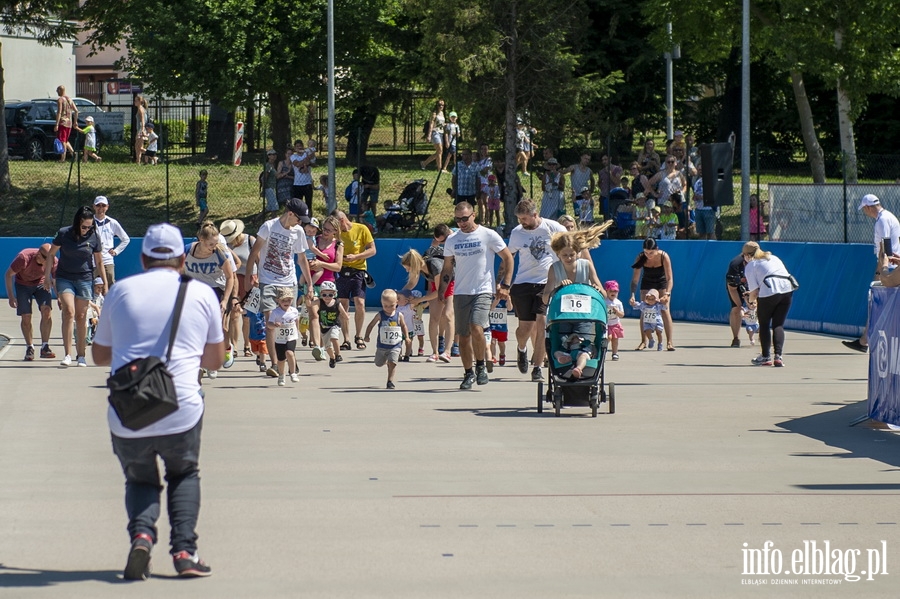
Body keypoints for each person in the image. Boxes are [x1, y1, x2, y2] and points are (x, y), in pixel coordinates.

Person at [91, 223, 224, 580]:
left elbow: (99, 355)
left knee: (139, 480)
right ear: (183, 259)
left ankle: (142, 536)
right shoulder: (201, 293)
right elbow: (214, 361)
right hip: (179, 407)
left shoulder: (121, 290)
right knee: (183, 473)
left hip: (128, 409)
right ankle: (184, 552)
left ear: (143, 257)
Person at [439, 202, 514, 390]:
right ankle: (468, 373)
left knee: (476, 326)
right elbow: (448, 267)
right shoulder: (452, 240)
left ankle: (481, 365)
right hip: (461, 292)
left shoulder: (487, 234)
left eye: (465, 218)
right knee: (463, 336)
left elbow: (508, 258)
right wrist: (442, 288)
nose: (462, 222)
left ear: (473, 215)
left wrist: (505, 284)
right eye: (458, 219)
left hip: (483, 290)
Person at [246, 198, 314, 376]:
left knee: (289, 321)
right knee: (270, 321)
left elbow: (301, 259)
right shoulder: (268, 227)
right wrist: (248, 278)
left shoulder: (298, 232)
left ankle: (290, 358)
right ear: (290, 213)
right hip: (268, 280)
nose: (300, 223)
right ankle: (275, 364)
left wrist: (310, 284)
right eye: (299, 219)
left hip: (288, 281)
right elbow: (254, 252)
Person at [507, 199, 568, 382]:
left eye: (524, 218)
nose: (522, 222)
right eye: (519, 219)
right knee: (525, 329)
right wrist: (504, 283)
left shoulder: (554, 228)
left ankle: (538, 367)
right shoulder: (517, 233)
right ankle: (521, 348)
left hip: (546, 283)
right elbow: (509, 257)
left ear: (535, 215)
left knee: (542, 324)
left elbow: (571, 247)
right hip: (523, 282)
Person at [45, 206, 107, 367]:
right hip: (64, 277)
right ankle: (67, 354)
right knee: (68, 312)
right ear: (77, 223)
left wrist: (105, 283)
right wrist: (47, 277)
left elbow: (99, 261)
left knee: (81, 316)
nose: (87, 229)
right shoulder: (64, 233)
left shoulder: (94, 236)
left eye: (90, 226)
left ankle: (81, 355)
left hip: (85, 279)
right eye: (84, 226)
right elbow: (51, 254)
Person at [842, 194, 900, 353]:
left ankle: (866, 340)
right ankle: (864, 340)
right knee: (877, 302)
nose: (865, 213)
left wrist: (881, 270)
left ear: (868, 207)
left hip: (889, 266)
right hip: (891, 264)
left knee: (876, 301)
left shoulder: (882, 220)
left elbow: (885, 247)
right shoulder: (886, 217)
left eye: (864, 209)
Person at [184, 221, 236, 379]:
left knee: (218, 329)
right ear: (200, 239)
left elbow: (229, 277)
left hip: (216, 290)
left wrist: (226, 299)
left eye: (216, 243)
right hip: (194, 292)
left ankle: (227, 349)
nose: (213, 246)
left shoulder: (220, 253)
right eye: (210, 244)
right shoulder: (188, 250)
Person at [743, 241, 796, 367]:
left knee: (765, 324)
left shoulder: (751, 265)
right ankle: (778, 356)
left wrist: (750, 302)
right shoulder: (774, 258)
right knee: (778, 324)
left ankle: (766, 356)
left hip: (769, 290)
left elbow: (754, 292)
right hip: (787, 289)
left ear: (747, 255)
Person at [5, 243, 57, 360]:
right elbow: (8, 275)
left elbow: (55, 279)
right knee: (26, 316)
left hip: (41, 284)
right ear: (39, 255)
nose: (48, 262)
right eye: (45, 259)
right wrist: (11, 297)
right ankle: (29, 346)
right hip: (23, 285)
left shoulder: (53, 261)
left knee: (47, 311)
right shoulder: (24, 258)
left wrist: (59, 297)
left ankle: (45, 346)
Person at [332, 210, 376, 351]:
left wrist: (356, 257)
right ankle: (346, 339)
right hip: (341, 271)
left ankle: (359, 335)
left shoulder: (361, 229)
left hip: (358, 271)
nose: (337, 230)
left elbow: (372, 250)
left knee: (359, 302)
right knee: (343, 304)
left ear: (343, 220)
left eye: (338, 226)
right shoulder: (335, 234)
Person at [307, 215, 343, 358]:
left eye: (329, 230)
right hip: (311, 280)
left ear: (335, 230)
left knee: (325, 316)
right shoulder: (314, 239)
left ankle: (323, 345)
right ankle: (317, 347)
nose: (325, 232)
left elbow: (338, 266)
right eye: (324, 228)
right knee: (313, 314)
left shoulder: (338, 244)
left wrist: (321, 264)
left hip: (327, 284)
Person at [629, 238, 675, 350]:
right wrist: (632, 295)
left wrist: (667, 293)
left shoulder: (664, 256)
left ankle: (669, 342)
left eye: (651, 252)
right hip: (647, 283)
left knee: (665, 309)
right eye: (646, 252)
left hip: (661, 283)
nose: (648, 255)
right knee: (644, 310)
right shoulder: (640, 257)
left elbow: (670, 279)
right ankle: (643, 341)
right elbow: (635, 280)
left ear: (657, 249)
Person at [221, 219, 255, 357]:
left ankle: (247, 345)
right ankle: (234, 346)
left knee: (248, 316)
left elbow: (259, 259)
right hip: (234, 279)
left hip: (252, 279)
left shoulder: (250, 240)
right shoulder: (224, 245)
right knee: (234, 314)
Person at [364, 289, 409, 389]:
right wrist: (367, 335)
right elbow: (371, 325)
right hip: (382, 346)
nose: (388, 308)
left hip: (395, 345)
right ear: (382, 303)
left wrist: (407, 337)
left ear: (397, 302)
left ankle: (390, 381)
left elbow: (404, 326)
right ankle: (385, 361)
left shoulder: (399, 315)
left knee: (393, 362)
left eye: (391, 305)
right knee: (378, 363)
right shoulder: (380, 315)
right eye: (385, 306)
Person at [92, 195, 130, 286]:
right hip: (91, 261)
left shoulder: (112, 222)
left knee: (110, 285)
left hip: (107, 260)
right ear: (94, 206)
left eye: (103, 205)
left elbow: (125, 239)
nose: (101, 208)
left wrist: (116, 251)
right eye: (98, 205)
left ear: (107, 207)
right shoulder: (89, 222)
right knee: (91, 287)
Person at [267, 287, 300, 386]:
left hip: (291, 337)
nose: (286, 302)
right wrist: (274, 325)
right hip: (280, 339)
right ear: (278, 300)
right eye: (283, 300)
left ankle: (293, 373)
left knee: (290, 353)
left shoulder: (294, 311)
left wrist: (297, 331)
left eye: (289, 300)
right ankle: (281, 375)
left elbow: (296, 321)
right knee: (281, 359)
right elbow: (269, 324)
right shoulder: (275, 312)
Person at [317, 280, 348, 368]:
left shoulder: (337, 303)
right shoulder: (320, 302)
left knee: (334, 338)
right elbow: (310, 304)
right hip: (324, 327)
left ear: (334, 294)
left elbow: (343, 312)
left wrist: (346, 317)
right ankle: (332, 357)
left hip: (335, 325)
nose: (327, 297)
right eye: (324, 295)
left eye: (330, 295)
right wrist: (308, 299)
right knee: (328, 347)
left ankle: (338, 355)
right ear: (321, 294)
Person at [725, 250, 748, 348]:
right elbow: (732, 288)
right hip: (737, 286)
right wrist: (739, 305)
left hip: (754, 284)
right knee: (736, 309)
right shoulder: (735, 264)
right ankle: (736, 337)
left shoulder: (759, 262)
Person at [421, 99, 446, 172]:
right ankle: (439, 169)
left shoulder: (442, 113)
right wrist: (429, 135)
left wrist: (444, 125)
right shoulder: (434, 113)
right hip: (435, 132)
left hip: (441, 133)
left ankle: (424, 163)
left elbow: (440, 124)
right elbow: (431, 125)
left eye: (442, 105)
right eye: (439, 105)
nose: (441, 106)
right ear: (436, 105)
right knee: (440, 150)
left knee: (439, 152)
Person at [54, 85, 78, 163]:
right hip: (69, 123)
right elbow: (76, 111)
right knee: (65, 140)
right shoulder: (69, 99)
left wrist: (57, 124)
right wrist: (75, 122)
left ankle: (62, 158)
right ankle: (73, 153)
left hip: (63, 122)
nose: (57, 92)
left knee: (62, 141)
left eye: (57, 90)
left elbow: (59, 112)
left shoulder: (60, 100)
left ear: (61, 90)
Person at [290, 139, 316, 205]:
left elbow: (314, 164)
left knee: (309, 204)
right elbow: (297, 164)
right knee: (298, 205)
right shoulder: (293, 156)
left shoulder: (306, 153)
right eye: (297, 146)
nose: (299, 147)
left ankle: (309, 215)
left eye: (300, 146)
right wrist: (308, 158)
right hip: (297, 184)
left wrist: (308, 160)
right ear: (295, 148)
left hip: (307, 183)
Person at [604, 280, 624, 360]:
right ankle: (603, 351)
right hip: (606, 324)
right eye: (611, 291)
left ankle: (615, 353)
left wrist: (617, 311)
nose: (613, 293)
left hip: (615, 323)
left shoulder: (618, 303)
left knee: (615, 339)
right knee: (608, 337)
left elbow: (622, 314)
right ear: (606, 291)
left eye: (615, 291)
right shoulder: (604, 301)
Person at [133, 94, 148, 164]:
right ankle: (138, 161)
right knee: (138, 146)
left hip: (140, 130)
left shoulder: (140, 109)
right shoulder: (142, 109)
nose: (134, 102)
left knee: (138, 147)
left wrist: (142, 130)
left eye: (136, 101)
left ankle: (152, 155)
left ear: (140, 101)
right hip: (140, 129)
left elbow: (142, 120)